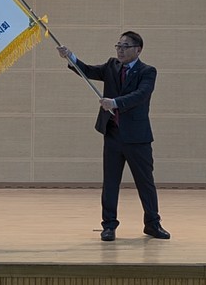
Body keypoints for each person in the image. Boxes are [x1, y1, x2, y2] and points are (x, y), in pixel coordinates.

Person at [57, 31, 170, 241]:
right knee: (110, 182)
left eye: (125, 46)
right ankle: (109, 225)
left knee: (145, 182)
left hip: (137, 138)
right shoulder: (111, 66)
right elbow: (88, 70)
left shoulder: (147, 71)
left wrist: (115, 103)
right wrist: (70, 57)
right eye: (118, 46)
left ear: (138, 50)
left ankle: (152, 224)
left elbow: (140, 95)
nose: (120, 50)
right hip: (113, 135)